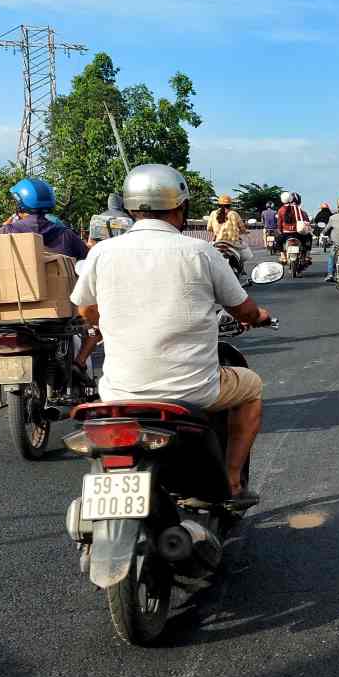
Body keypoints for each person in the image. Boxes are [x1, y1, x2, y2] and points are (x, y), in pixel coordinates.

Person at [71, 164, 272, 499]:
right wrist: (259, 316)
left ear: (131, 208)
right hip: (193, 390)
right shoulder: (200, 252)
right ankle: (232, 480)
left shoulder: (102, 252)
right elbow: (244, 310)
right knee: (251, 388)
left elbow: (86, 311)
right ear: (181, 206)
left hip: (119, 392)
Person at [0, 178, 88, 261]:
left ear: (20, 206)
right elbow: (87, 258)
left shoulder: (7, 231)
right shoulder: (67, 235)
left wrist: (2, 226)